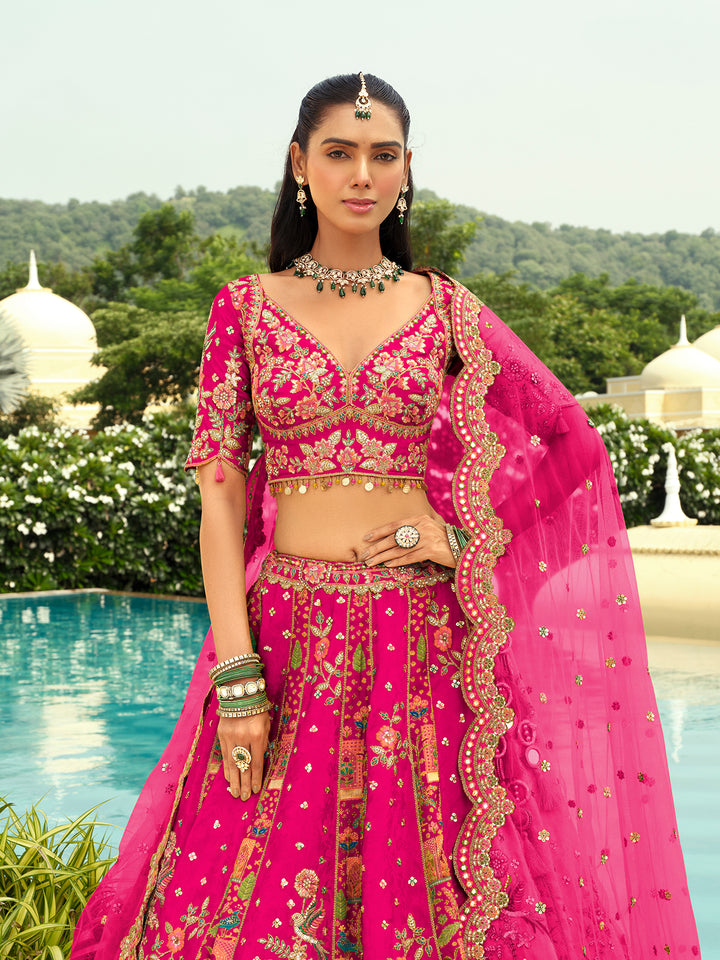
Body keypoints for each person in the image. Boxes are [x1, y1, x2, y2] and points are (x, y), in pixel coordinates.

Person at [71, 73, 700, 960]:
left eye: (383, 154)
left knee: (443, 894)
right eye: (339, 153)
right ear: (300, 165)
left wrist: (463, 538)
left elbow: (571, 448)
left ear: (407, 170)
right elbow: (221, 493)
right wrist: (238, 674)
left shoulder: (444, 307)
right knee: (239, 904)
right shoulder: (245, 306)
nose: (361, 174)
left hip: (425, 641)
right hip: (285, 639)